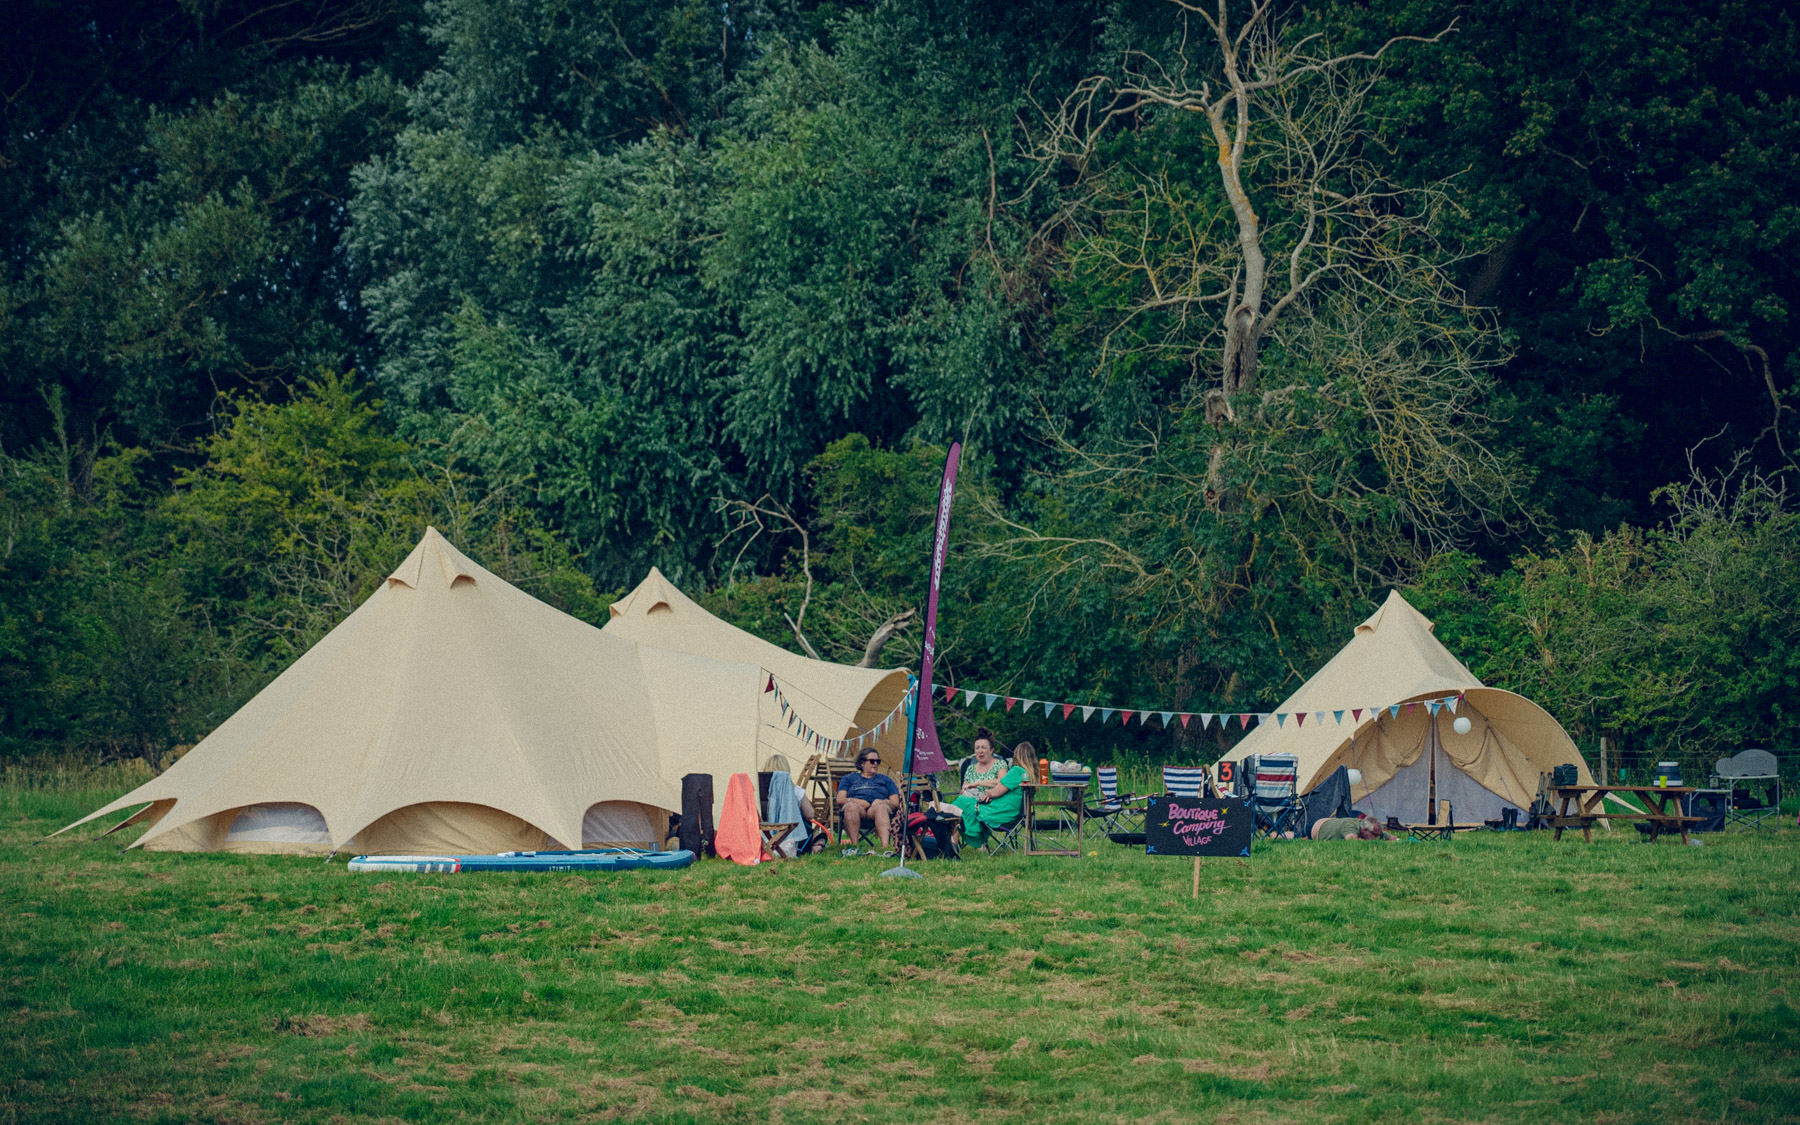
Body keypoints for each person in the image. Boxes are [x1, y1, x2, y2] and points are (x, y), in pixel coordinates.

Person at [952, 735, 1034, 850]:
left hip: (999, 814)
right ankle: (962, 842)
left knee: (960, 803)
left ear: (1017, 756)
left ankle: (956, 845)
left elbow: (997, 792)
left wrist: (988, 793)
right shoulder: (1028, 775)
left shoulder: (1016, 771)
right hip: (1010, 813)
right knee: (962, 803)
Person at [836, 750, 901, 853]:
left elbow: (895, 802)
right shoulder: (849, 778)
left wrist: (883, 801)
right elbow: (840, 799)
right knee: (851, 807)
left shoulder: (886, 779)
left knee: (881, 808)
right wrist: (856, 801)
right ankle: (854, 846)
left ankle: (886, 848)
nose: (875, 764)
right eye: (872, 761)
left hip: (876, 809)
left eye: (877, 761)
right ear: (862, 763)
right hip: (857, 808)